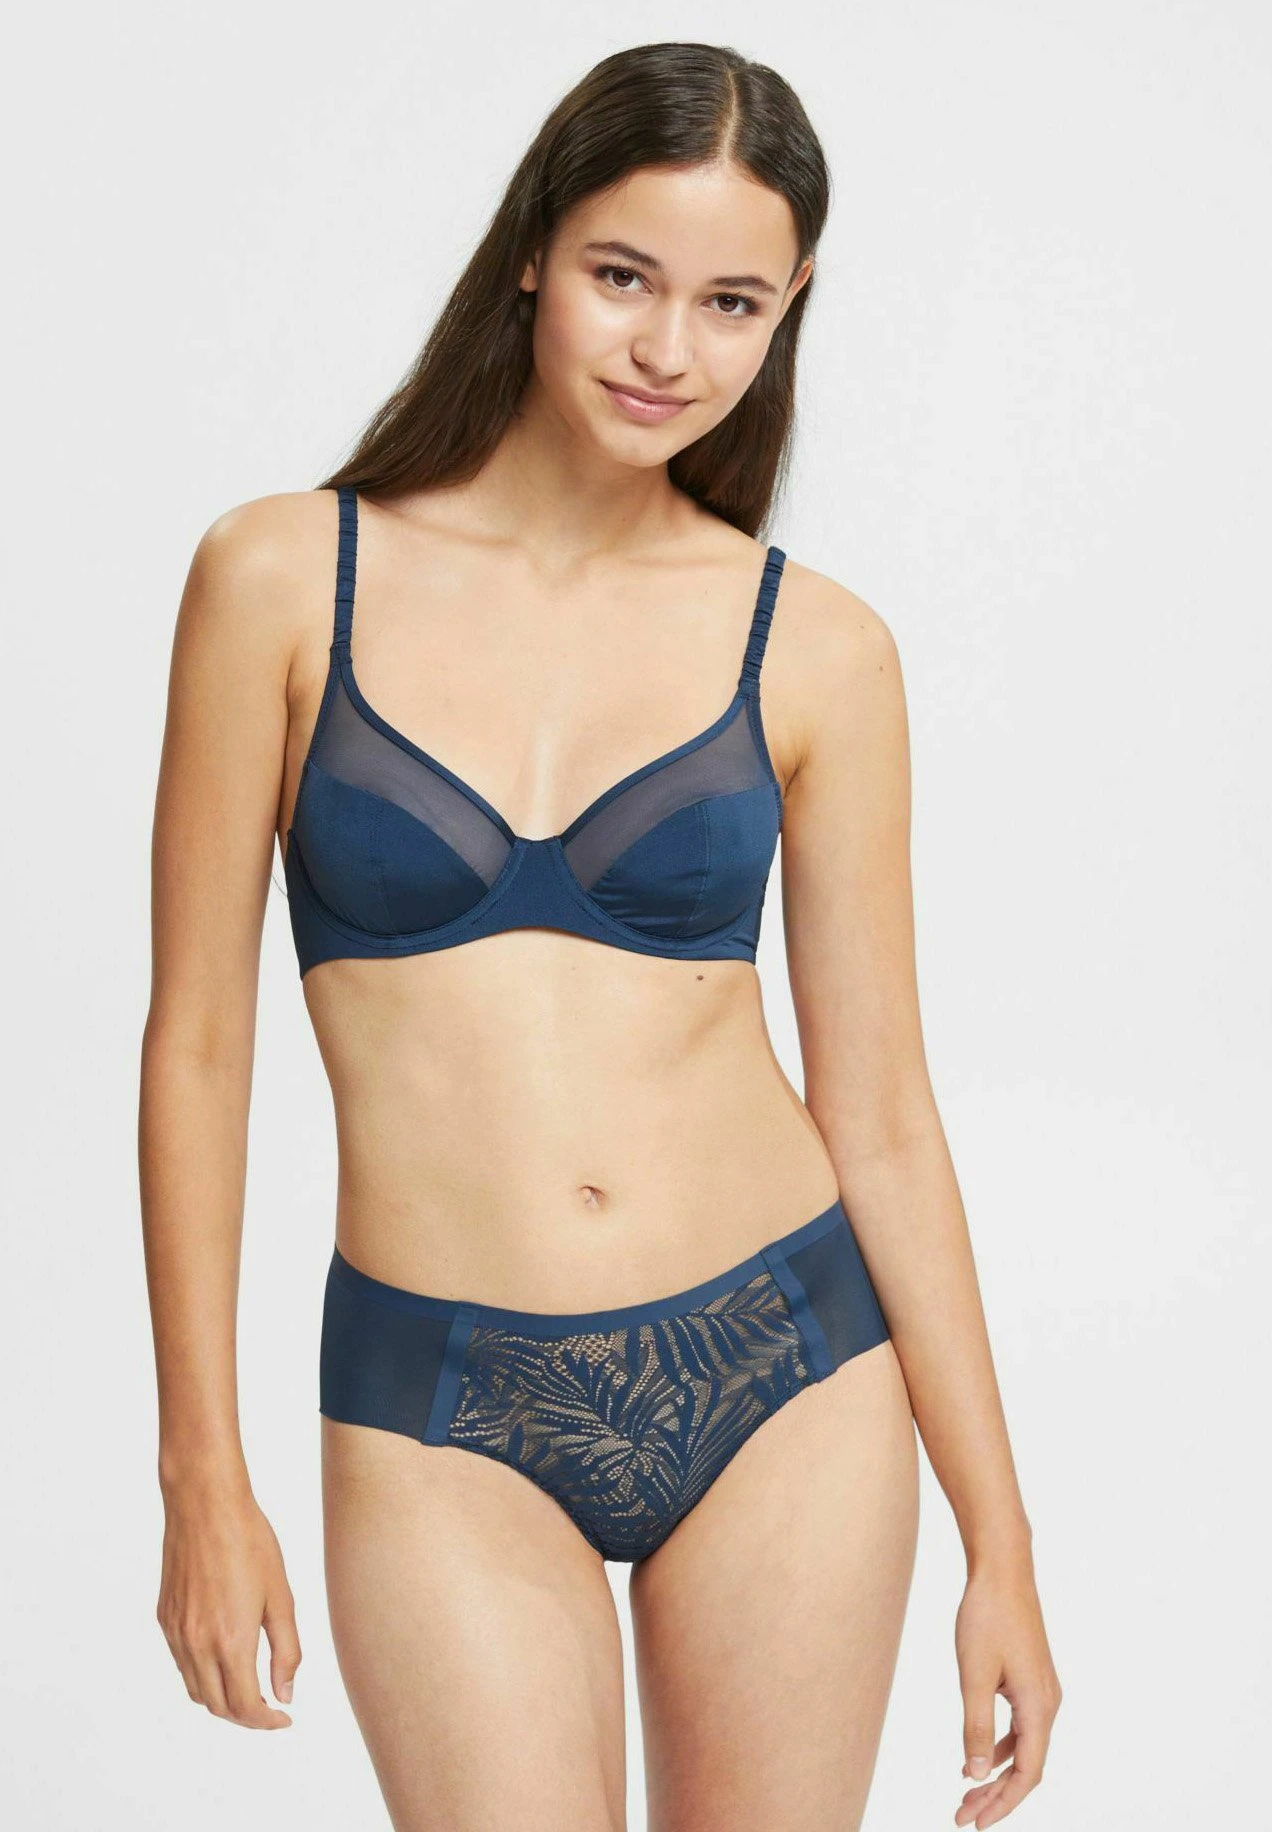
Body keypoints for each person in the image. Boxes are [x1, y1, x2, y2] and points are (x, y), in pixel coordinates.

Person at [140, 40, 1061, 1832]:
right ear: (532, 253)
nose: (667, 351)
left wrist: (1001, 1540)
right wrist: (200, 1472)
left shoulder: (818, 647)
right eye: (624, 276)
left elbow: (883, 1116)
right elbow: (197, 1047)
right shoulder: (281, 579)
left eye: (732, 304)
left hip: (785, 1367)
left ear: (788, 311)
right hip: (438, 1397)